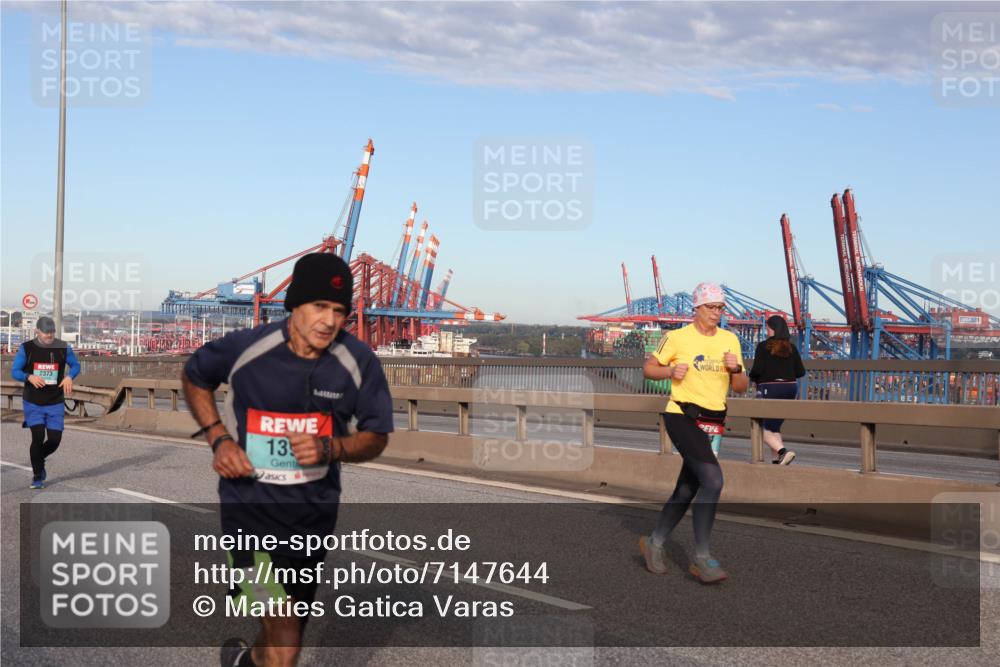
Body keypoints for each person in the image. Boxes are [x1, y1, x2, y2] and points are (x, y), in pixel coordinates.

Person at [181, 253, 393, 667]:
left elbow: (377, 436)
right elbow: (195, 375)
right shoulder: (248, 347)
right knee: (287, 636)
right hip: (248, 519)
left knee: (282, 628)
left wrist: (332, 448)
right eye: (319, 306)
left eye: (339, 311)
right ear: (294, 305)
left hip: (311, 522)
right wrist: (219, 438)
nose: (329, 321)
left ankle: (244, 662)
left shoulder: (358, 361)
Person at [639, 282, 747, 583]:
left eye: (720, 308)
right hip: (682, 415)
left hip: (714, 421)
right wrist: (669, 371)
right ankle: (702, 558)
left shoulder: (730, 340)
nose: (717, 313)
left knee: (689, 486)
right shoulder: (677, 337)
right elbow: (649, 368)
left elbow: (740, 387)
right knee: (713, 480)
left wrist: (737, 370)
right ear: (696, 308)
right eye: (711, 307)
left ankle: (654, 543)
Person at [10, 315, 80, 489]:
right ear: (37, 331)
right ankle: (37, 477)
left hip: (55, 401)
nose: (49, 335)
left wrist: (70, 377)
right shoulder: (27, 348)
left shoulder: (63, 347)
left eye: (52, 332)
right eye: (46, 332)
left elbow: (76, 365)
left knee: (55, 440)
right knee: (38, 437)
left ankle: (38, 459)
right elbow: (15, 371)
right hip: (33, 402)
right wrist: (29, 376)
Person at [749, 314, 806, 465]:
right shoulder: (791, 347)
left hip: (770, 388)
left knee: (761, 428)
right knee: (774, 427)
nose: (767, 331)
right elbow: (801, 372)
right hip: (790, 388)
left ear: (773, 329)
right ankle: (777, 461)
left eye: (768, 328)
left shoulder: (763, 346)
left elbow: (757, 369)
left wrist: (752, 377)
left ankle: (783, 451)